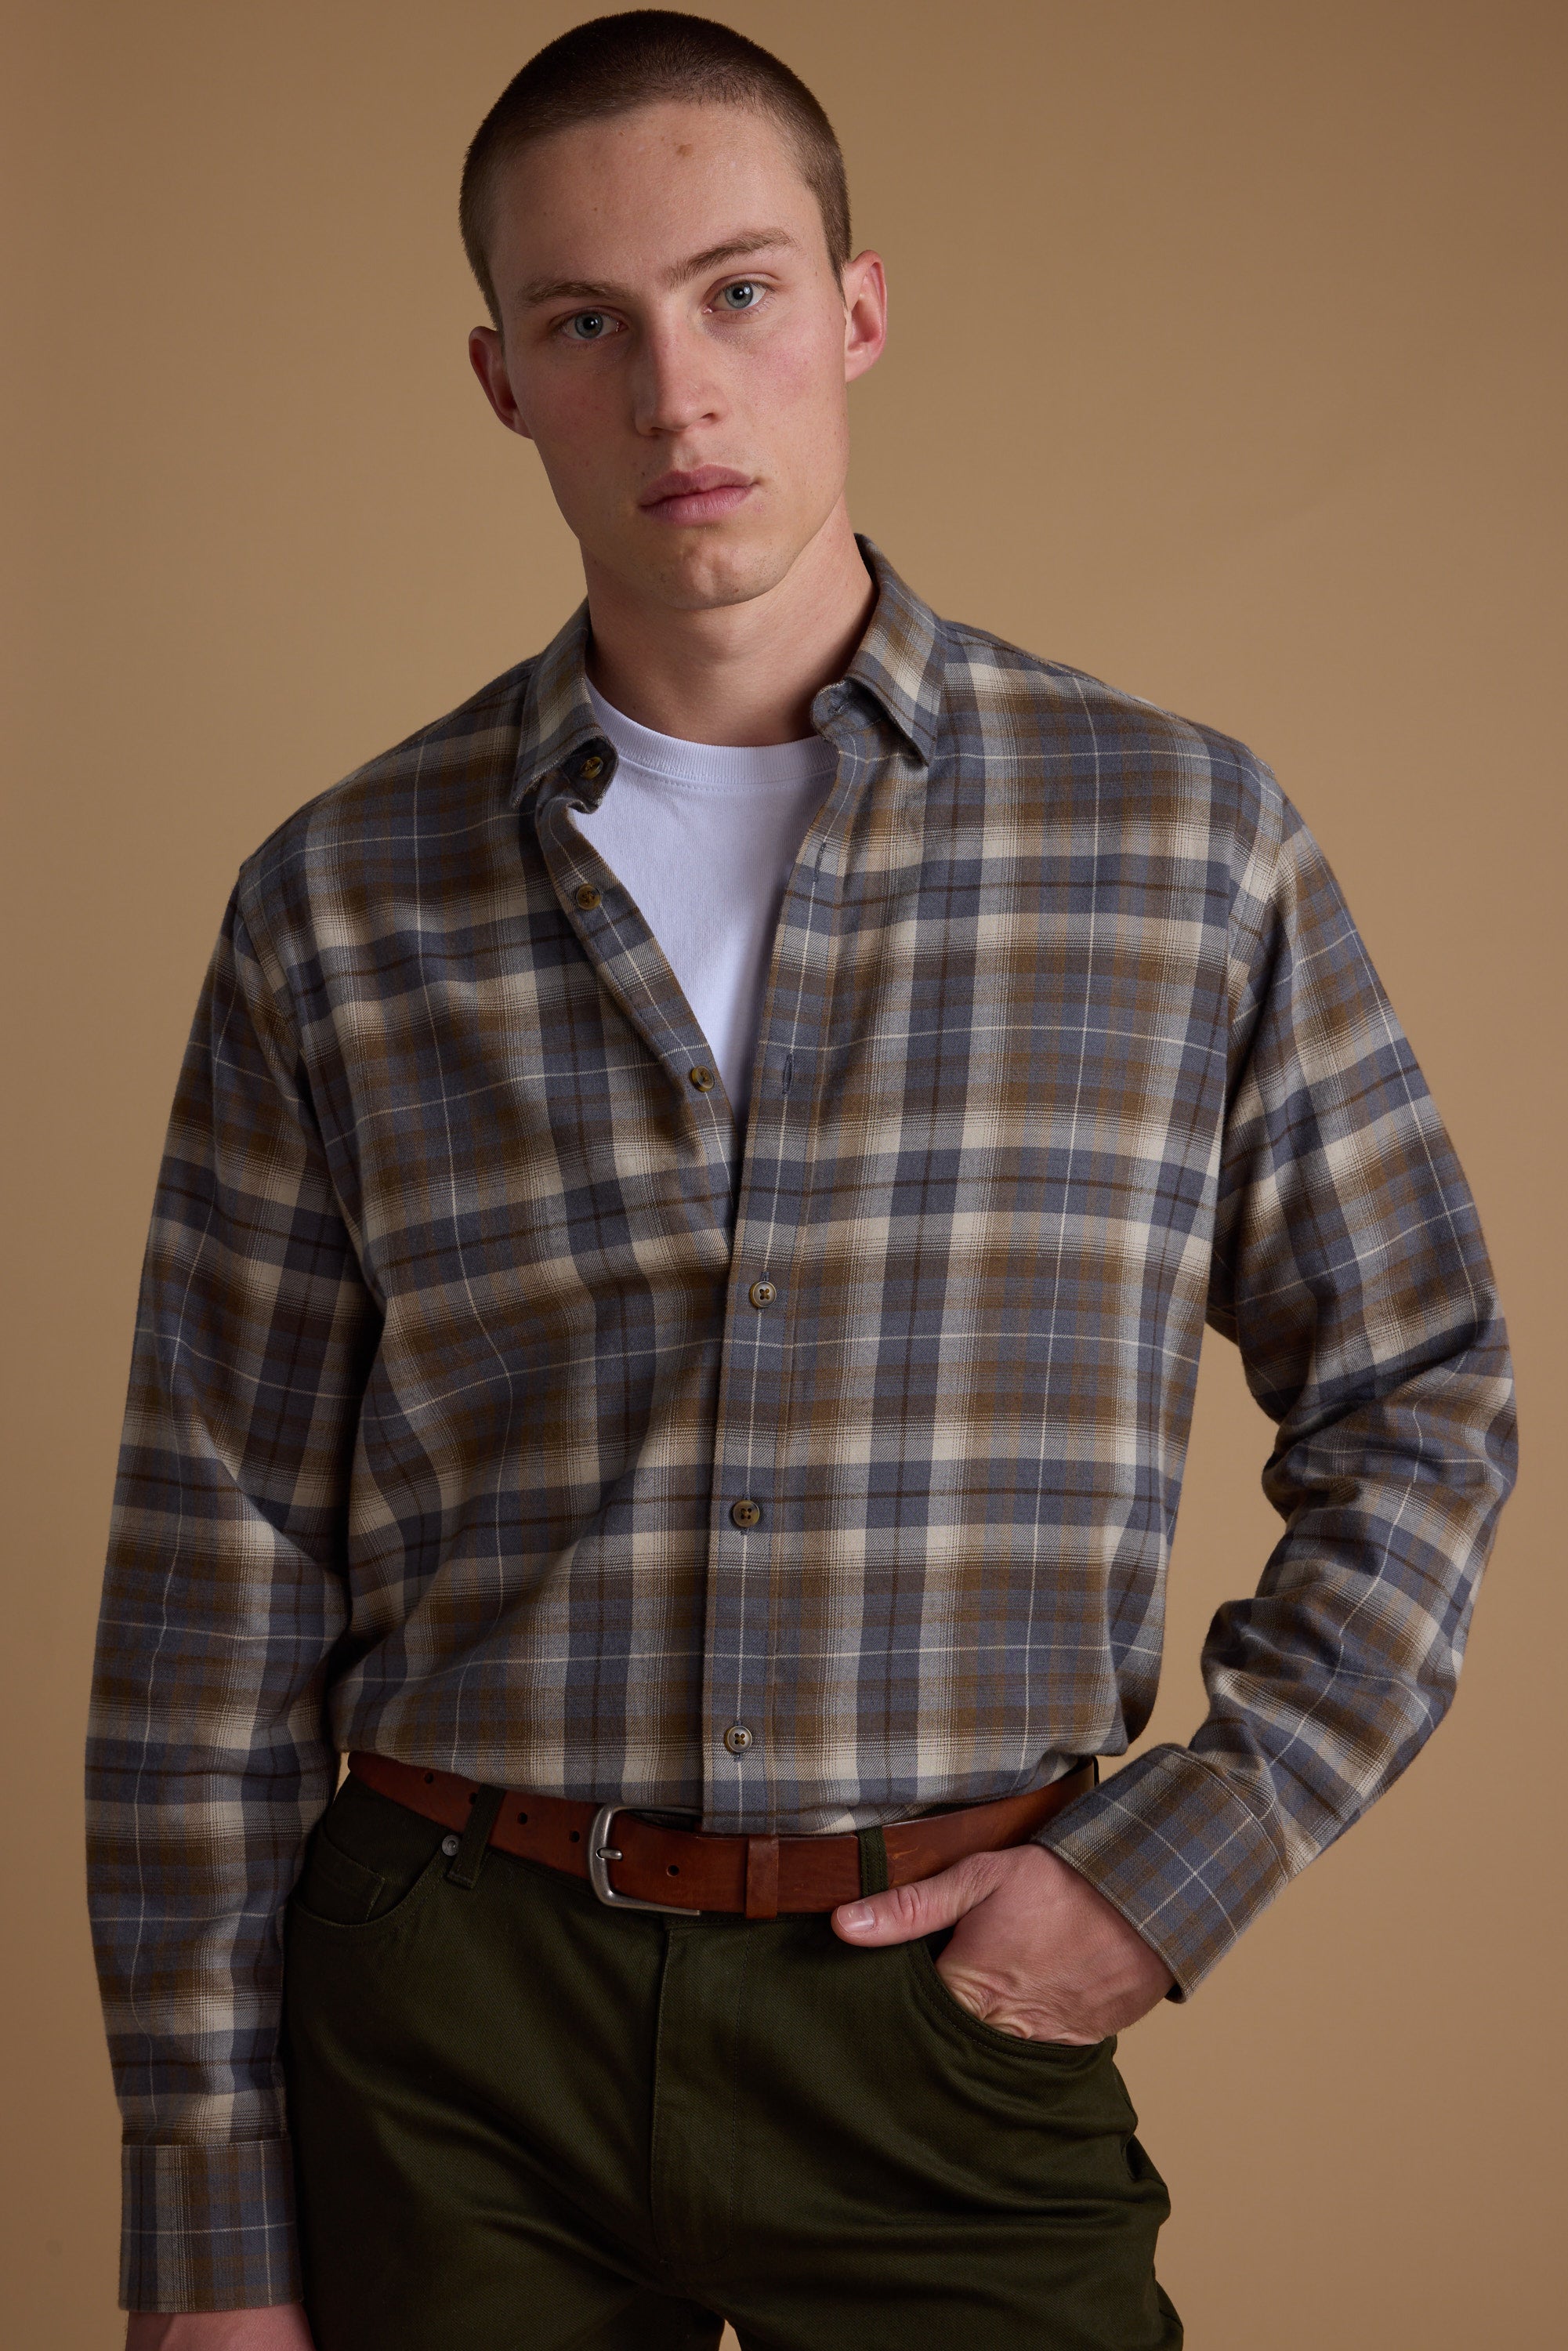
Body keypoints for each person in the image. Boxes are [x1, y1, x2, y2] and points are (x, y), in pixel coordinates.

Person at [87, 13, 1516, 2349]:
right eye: (587, 324)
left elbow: (1423, 1394)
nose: (676, 394)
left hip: (939, 2012)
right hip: (450, 2025)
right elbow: (211, 1566)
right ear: (502, 382)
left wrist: (1173, 1868)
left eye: (735, 292)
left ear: (854, 311)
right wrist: (211, 2233)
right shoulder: (338, 900)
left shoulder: (1181, 846)